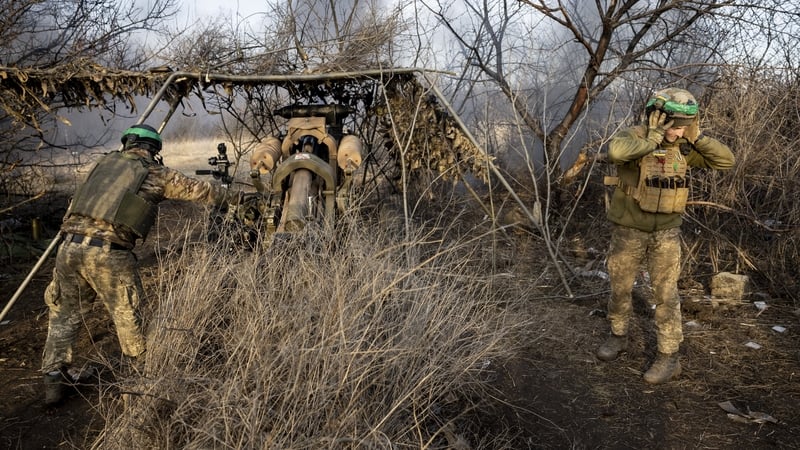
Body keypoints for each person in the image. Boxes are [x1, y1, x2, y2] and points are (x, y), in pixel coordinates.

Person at [42, 124, 231, 405]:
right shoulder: (154, 172)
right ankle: (140, 383)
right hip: (109, 253)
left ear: (126, 144)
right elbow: (201, 191)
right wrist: (234, 196)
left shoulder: (102, 165)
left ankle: (54, 381)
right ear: (154, 149)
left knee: (64, 315)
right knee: (129, 317)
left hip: (68, 248)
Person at [598, 88, 735, 384]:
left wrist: (695, 137)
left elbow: (726, 161)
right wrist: (653, 138)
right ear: (656, 117)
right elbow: (616, 153)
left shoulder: (685, 147)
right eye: (673, 123)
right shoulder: (636, 137)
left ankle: (669, 356)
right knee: (619, 288)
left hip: (666, 233)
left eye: (684, 124)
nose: (678, 130)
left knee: (666, 295)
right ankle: (617, 335)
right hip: (629, 230)